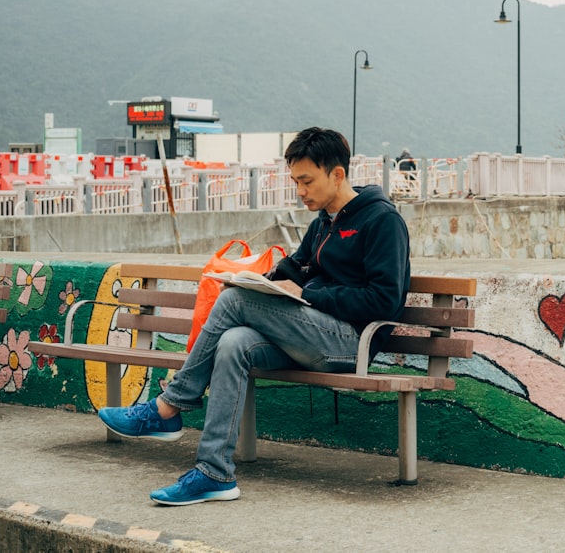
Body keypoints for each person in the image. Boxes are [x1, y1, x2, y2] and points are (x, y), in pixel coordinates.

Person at [97, 126, 411, 506]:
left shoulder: (381, 221)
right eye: (296, 181)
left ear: (338, 174)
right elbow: (294, 269)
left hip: (350, 344)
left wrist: (309, 293)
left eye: (307, 181)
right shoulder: (323, 223)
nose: (301, 191)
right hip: (311, 336)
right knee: (233, 342)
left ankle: (169, 406)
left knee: (232, 302)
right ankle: (214, 473)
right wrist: (257, 280)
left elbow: (384, 299)